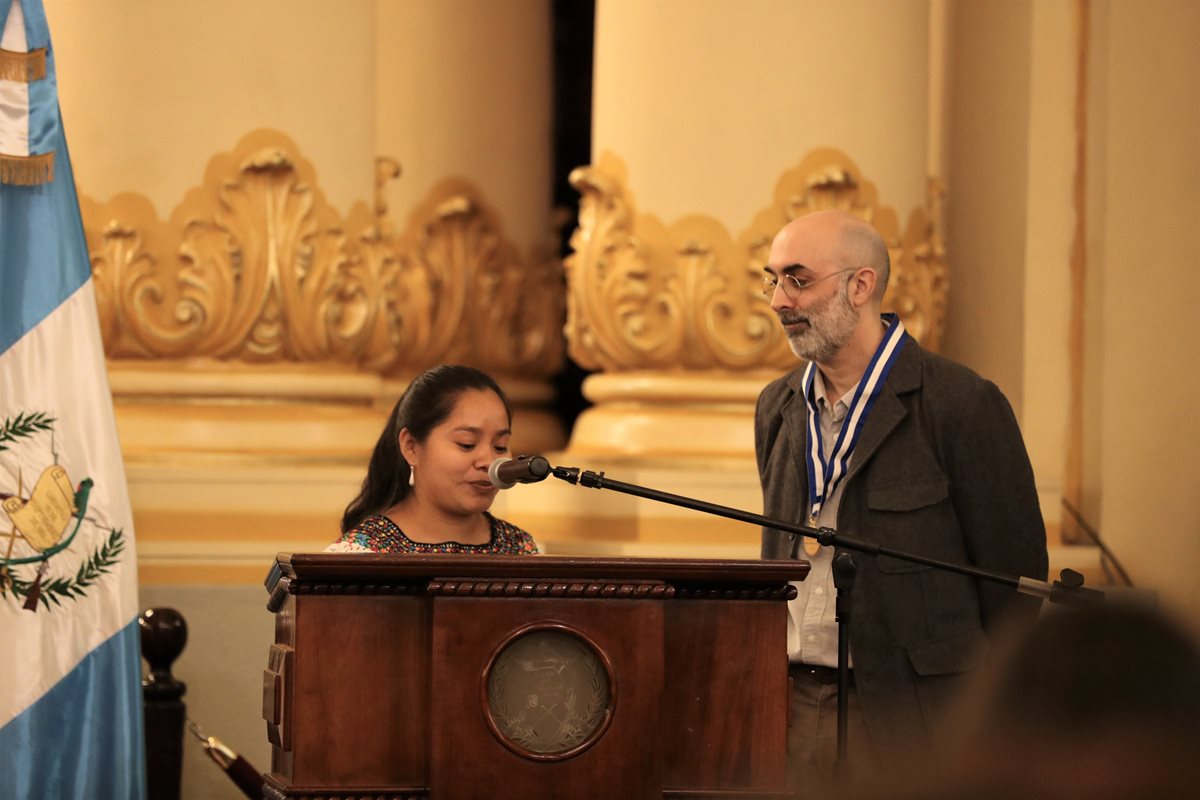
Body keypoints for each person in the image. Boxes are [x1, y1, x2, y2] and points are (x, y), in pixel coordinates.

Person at [754, 210, 1048, 790]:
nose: (778, 301)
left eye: (798, 279)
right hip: (790, 700)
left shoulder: (961, 404)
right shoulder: (777, 406)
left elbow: (1012, 582)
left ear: (859, 285)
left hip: (910, 713)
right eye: (773, 280)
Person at [328, 364, 538, 554]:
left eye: (500, 446)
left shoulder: (520, 547)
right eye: (467, 444)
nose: (490, 461)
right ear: (411, 447)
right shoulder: (364, 552)